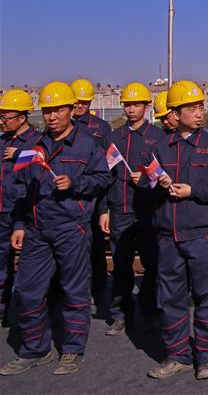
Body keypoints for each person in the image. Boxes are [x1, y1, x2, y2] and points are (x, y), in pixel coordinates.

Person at [0, 82, 111, 376]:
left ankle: (72, 349)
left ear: (71, 110)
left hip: (71, 228)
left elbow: (103, 179)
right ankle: (36, 349)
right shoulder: (34, 147)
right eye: (47, 111)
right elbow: (23, 189)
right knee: (27, 291)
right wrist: (20, 224)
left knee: (74, 291)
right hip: (37, 229)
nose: (51, 116)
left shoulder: (88, 144)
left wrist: (75, 184)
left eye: (58, 110)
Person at [146, 80, 208, 380]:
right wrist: (153, 182)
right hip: (168, 236)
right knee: (170, 298)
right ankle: (177, 355)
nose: (199, 113)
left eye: (200, 107)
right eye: (191, 108)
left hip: (201, 235)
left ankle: (206, 358)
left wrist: (193, 191)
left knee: (207, 297)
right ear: (175, 113)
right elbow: (146, 187)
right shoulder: (160, 147)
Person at [100, 82, 166, 336]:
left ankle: (149, 310)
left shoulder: (158, 138)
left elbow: (165, 174)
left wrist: (148, 179)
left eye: (136, 104)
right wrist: (104, 210)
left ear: (146, 107)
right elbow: (104, 176)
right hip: (121, 209)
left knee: (152, 263)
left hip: (150, 211)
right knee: (121, 264)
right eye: (127, 104)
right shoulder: (113, 139)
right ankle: (120, 314)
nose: (131, 109)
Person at [0, 90, 40, 328]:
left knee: (29, 271)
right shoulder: (3, 141)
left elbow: (38, 173)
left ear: (22, 117)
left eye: (6, 117)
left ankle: (29, 317)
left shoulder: (36, 143)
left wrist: (20, 155)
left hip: (24, 214)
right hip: (2, 210)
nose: (2, 121)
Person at [71, 78, 112, 310]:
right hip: (71, 193)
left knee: (95, 245)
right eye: (76, 102)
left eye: (84, 102)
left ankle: (98, 289)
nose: (79, 106)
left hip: (94, 192)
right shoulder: (62, 125)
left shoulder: (100, 128)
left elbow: (107, 165)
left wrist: (104, 206)